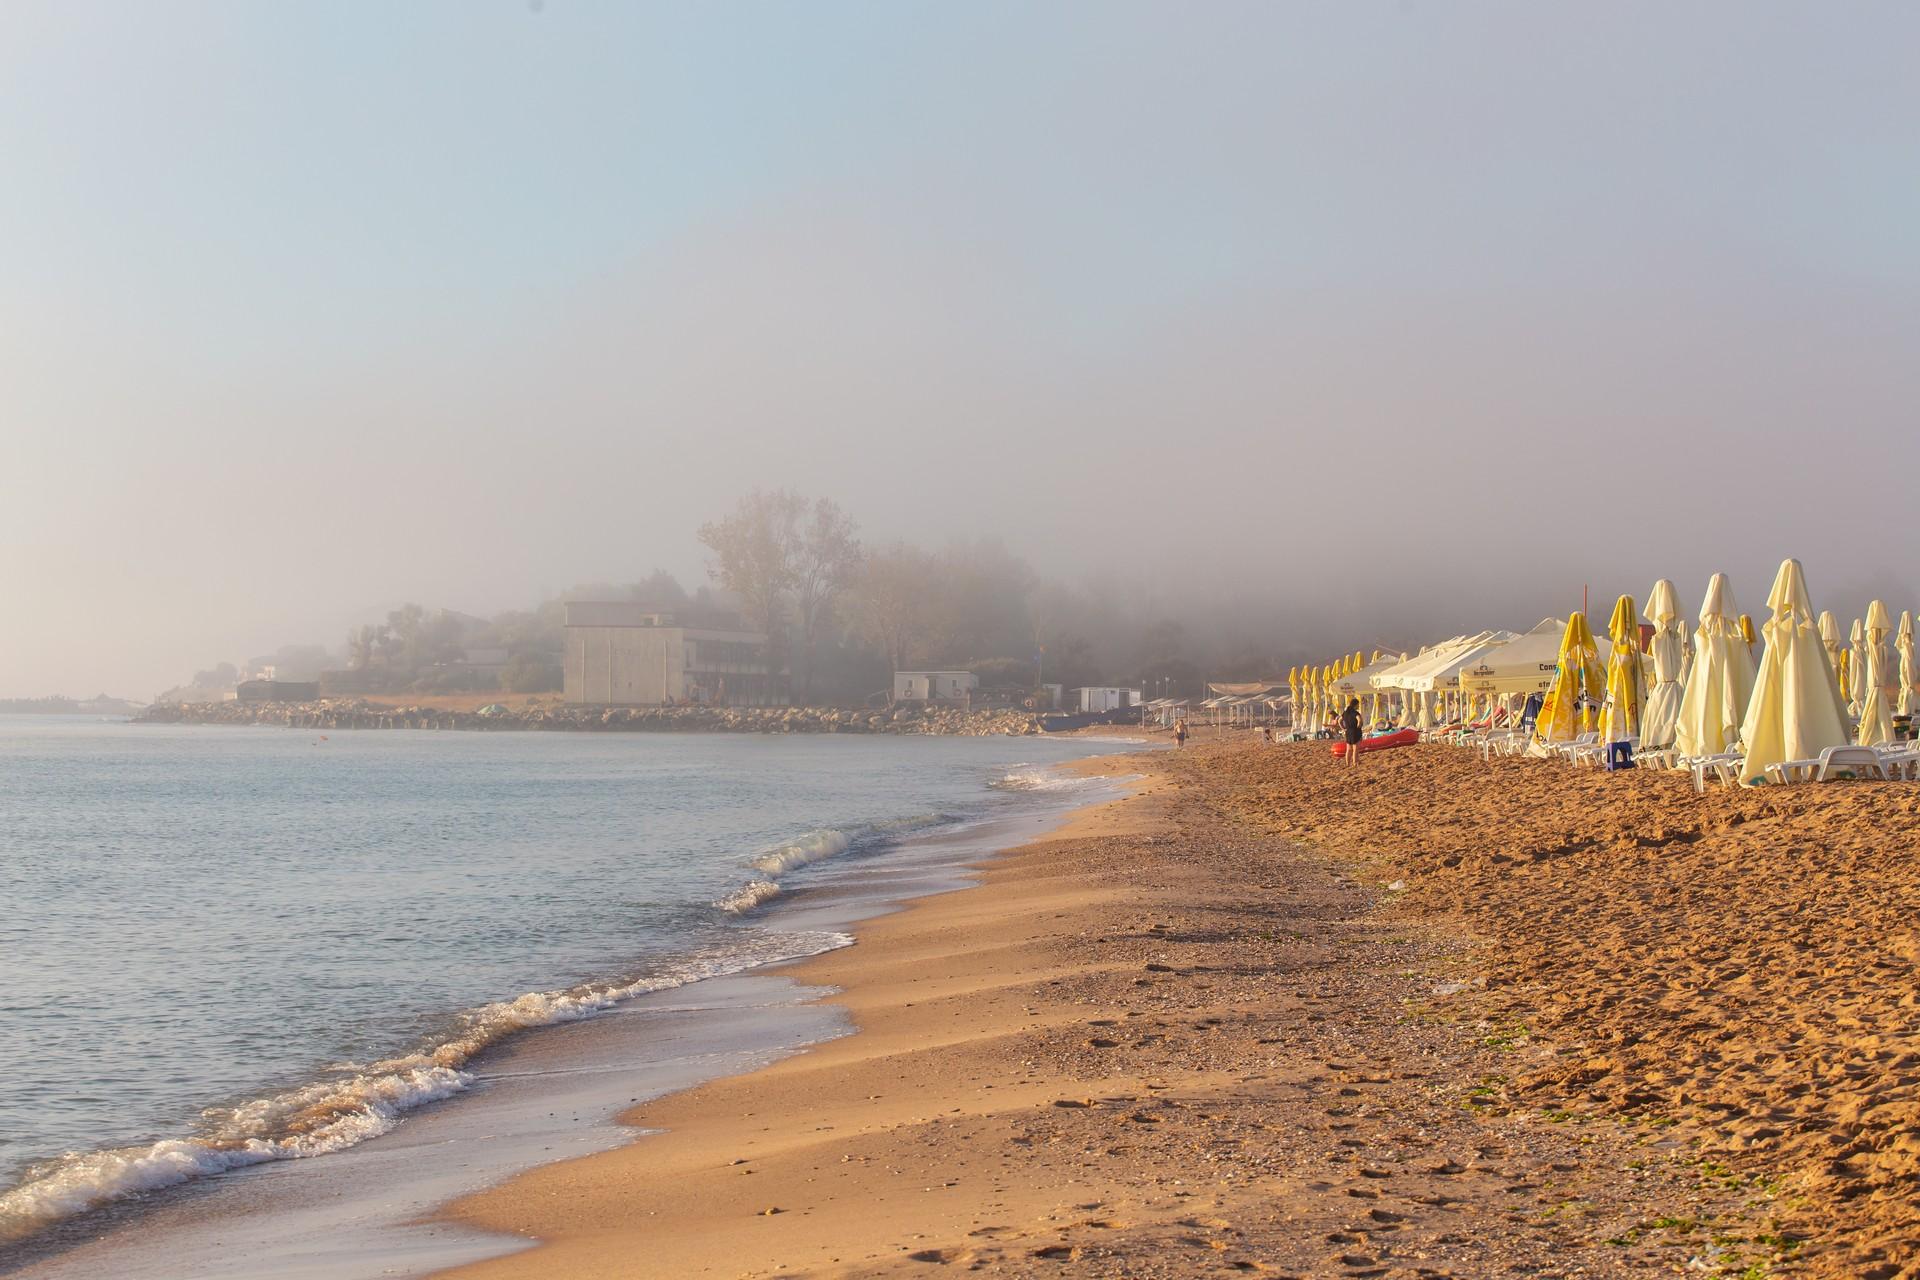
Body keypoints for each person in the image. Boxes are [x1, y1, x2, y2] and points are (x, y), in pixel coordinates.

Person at [1340, 697, 1363, 766]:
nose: (1358, 706)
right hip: (1355, 732)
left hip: (1348, 732)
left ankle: (1347, 763)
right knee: (1355, 749)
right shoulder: (1355, 712)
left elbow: (1339, 720)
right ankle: (1355, 763)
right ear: (1355, 705)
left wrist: (1343, 728)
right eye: (1358, 705)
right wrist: (1359, 725)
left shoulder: (1345, 713)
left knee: (1349, 749)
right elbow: (1359, 719)